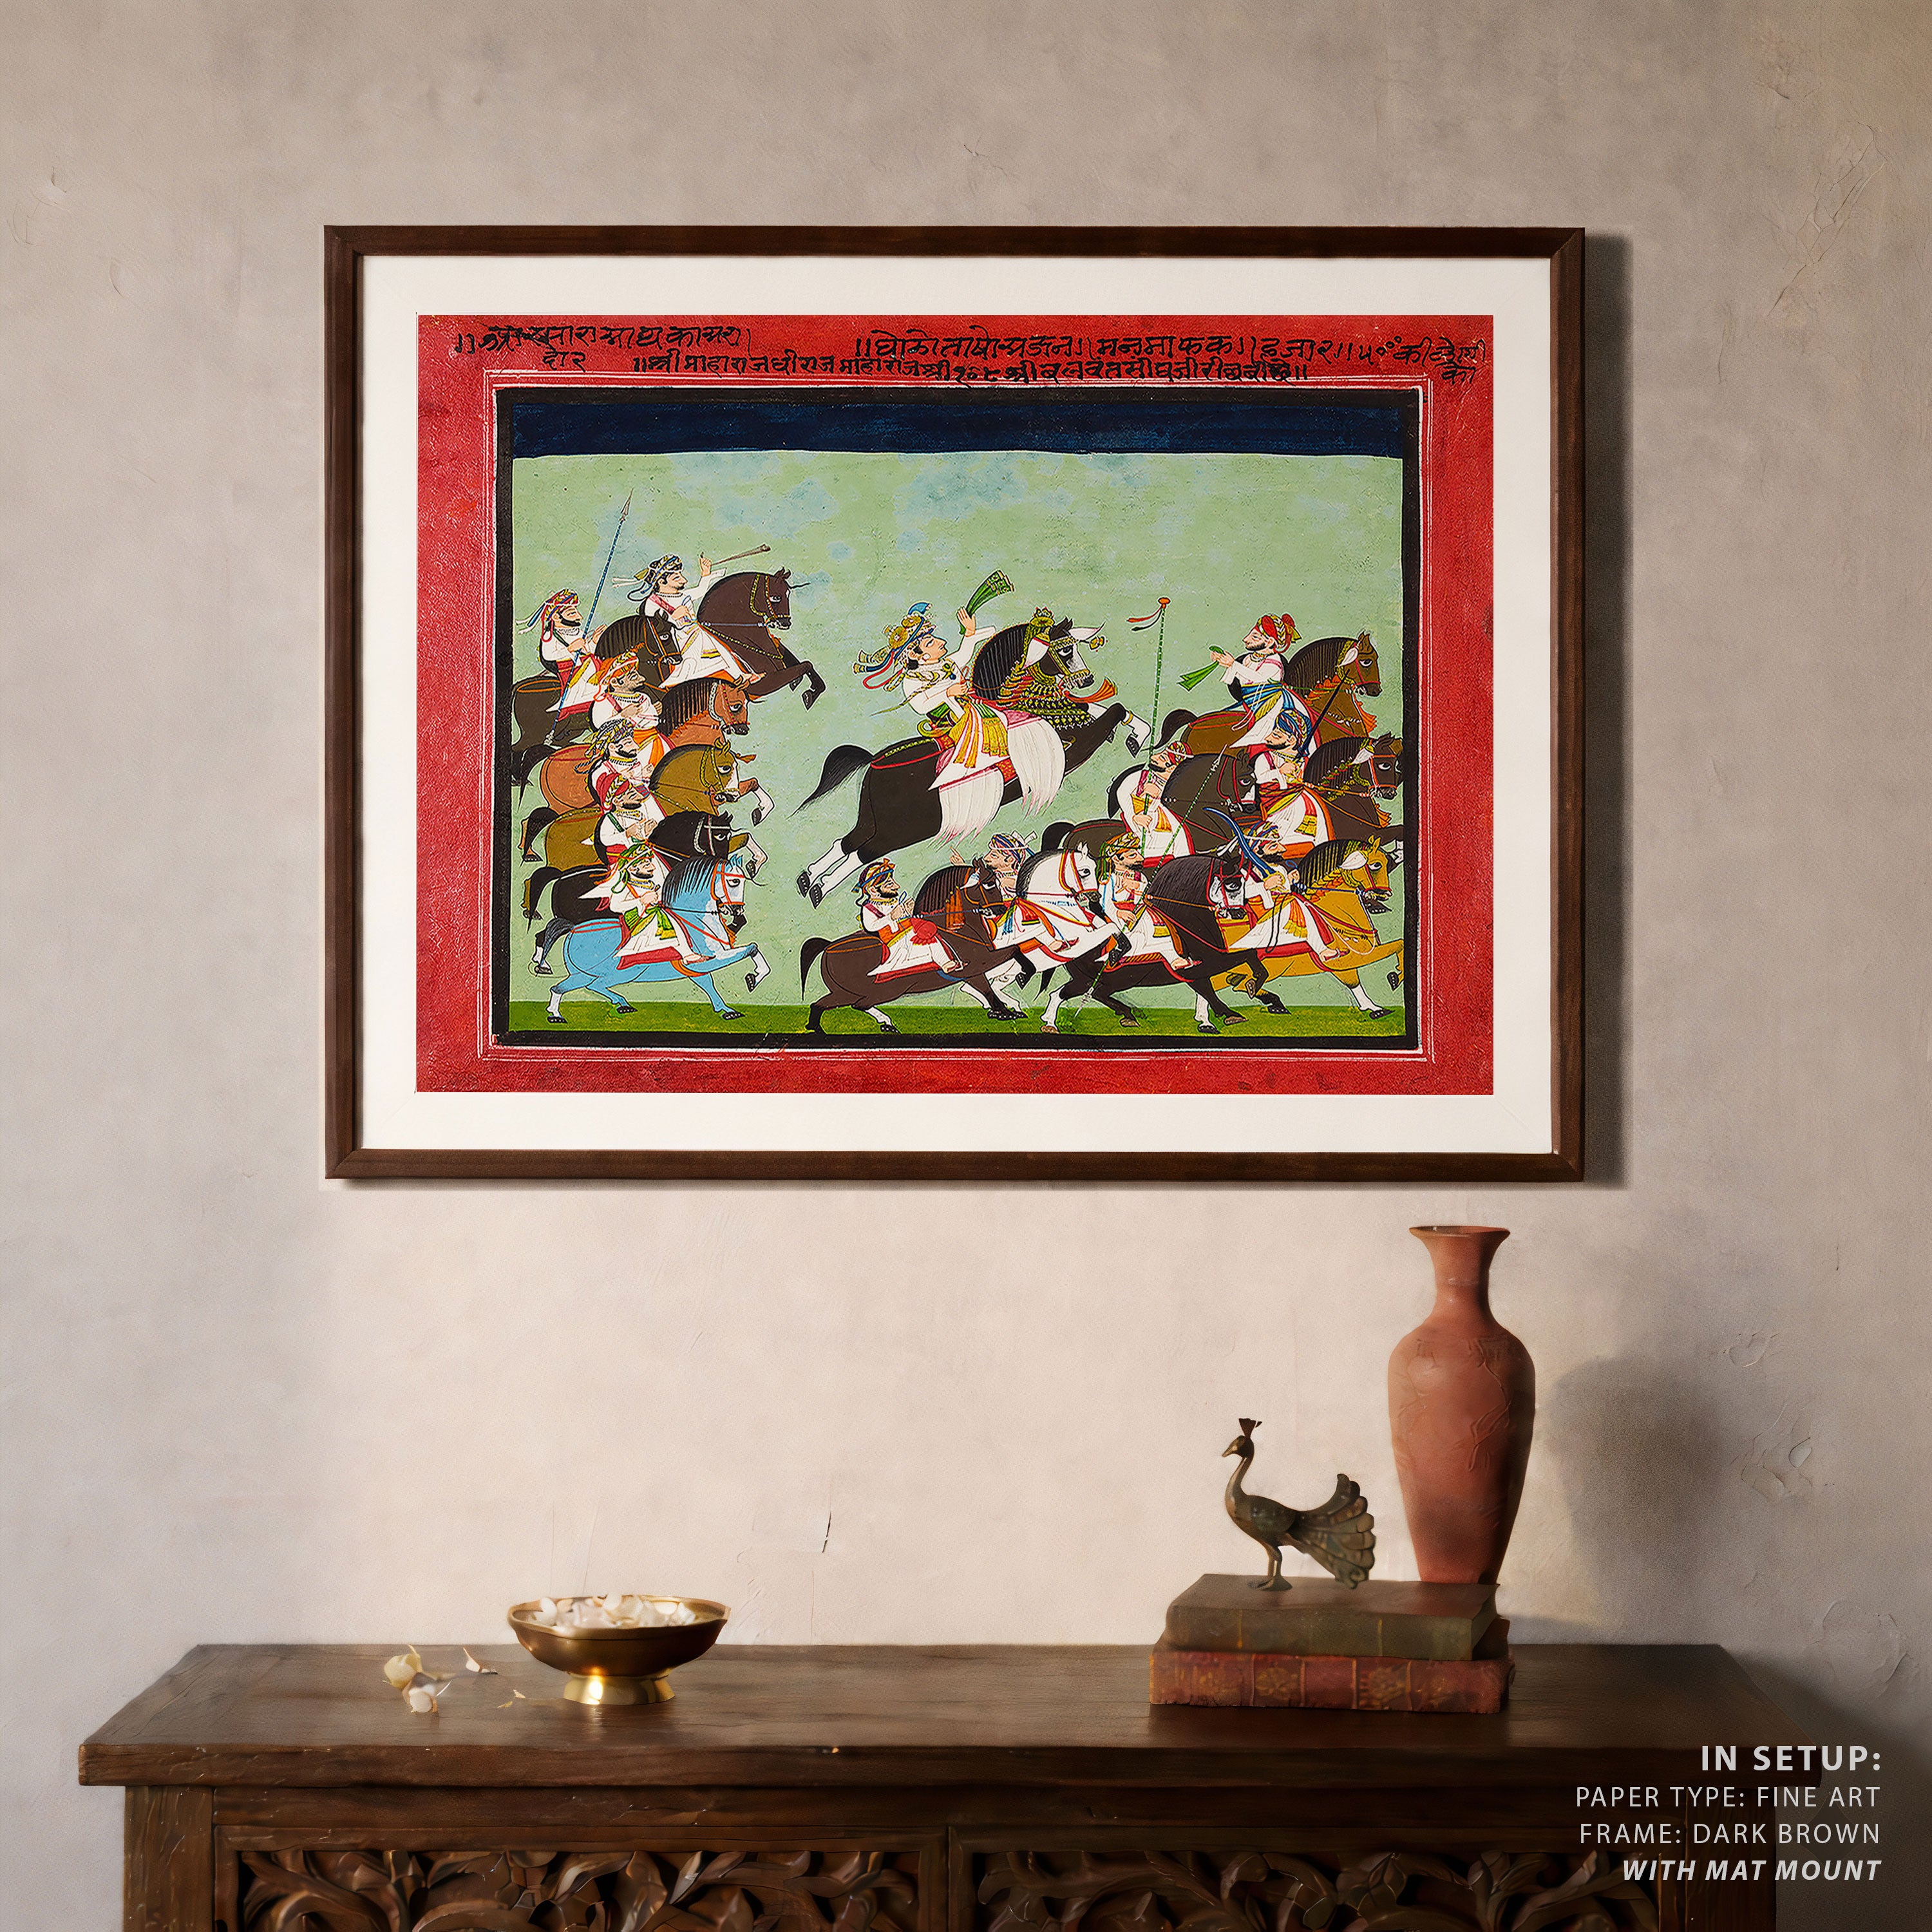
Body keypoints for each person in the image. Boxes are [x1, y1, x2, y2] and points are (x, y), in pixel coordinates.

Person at [630, 554, 753, 685]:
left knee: (721, 647)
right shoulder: (652, 603)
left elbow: (701, 590)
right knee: (698, 656)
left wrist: (705, 573)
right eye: (676, 578)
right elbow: (653, 629)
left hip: (696, 632)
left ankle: (740, 675)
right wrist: (674, 617)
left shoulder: (682, 595)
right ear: (662, 582)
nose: (683, 580)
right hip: (675, 641)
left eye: (680, 575)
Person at [1207, 613, 1315, 750]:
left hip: (1271, 706)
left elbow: (1257, 677)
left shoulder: (1275, 663)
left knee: (1262, 736)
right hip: (1250, 703)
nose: (1246, 639)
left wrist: (1233, 664)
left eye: (1255, 637)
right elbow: (1242, 680)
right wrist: (1224, 662)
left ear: (1269, 642)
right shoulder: (1249, 658)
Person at [1101, 835, 1196, 977]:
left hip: (1141, 912)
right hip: (1118, 916)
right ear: (1116, 859)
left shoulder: (1140, 877)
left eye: (1137, 854)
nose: (1140, 858)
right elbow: (1105, 903)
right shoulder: (1109, 879)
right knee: (1137, 937)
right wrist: (1119, 913)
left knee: (1166, 929)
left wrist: (1139, 886)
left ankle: (1173, 956)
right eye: (1132, 855)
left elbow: (1149, 896)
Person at [853, 859, 961, 979]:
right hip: (895, 940)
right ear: (873, 890)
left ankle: (946, 959)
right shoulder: (869, 908)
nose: (897, 886)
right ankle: (944, 963)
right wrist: (890, 917)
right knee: (928, 938)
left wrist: (910, 910)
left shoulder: (893, 900)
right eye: (889, 884)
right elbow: (870, 926)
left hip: (909, 930)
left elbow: (903, 915)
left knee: (929, 931)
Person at [1246, 715, 1331, 863]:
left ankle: (1321, 845)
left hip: (1303, 797)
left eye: (1276, 735)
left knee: (1316, 805)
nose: (1268, 738)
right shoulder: (1266, 758)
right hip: (1277, 802)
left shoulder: (1305, 761)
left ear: (1291, 740)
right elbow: (1260, 778)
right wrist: (1279, 771)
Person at [1121, 744, 1194, 866]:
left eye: (1162, 758)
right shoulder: (1141, 777)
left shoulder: (1176, 788)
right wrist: (1134, 816)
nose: (1155, 757)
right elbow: (1122, 793)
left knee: (1180, 839)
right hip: (1138, 827)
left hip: (1164, 830)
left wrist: (1159, 795)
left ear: (1172, 768)